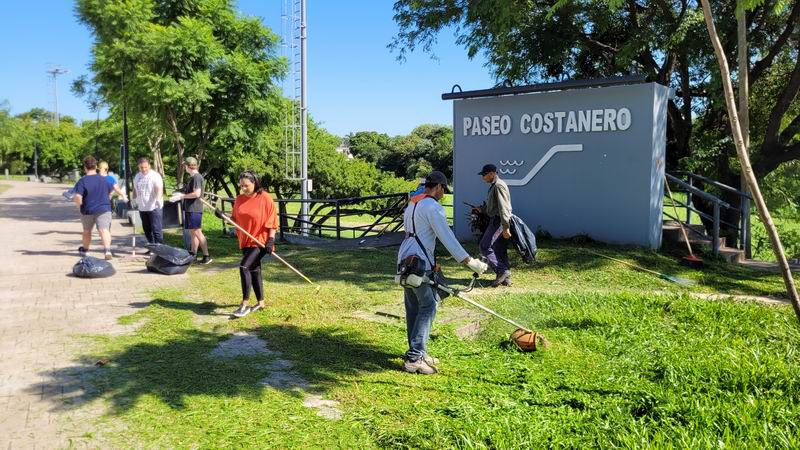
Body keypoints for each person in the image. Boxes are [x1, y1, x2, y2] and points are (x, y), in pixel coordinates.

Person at [397, 170, 488, 375]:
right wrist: (470, 262)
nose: (443, 194)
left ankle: (417, 350)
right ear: (438, 187)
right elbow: (447, 237)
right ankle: (414, 358)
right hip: (421, 263)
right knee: (428, 306)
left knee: (413, 306)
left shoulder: (412, 205)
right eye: (443, 190)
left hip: (405, 259)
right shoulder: (432, 207)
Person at [228, 171, 279, 318]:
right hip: (245, 240)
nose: (243, 188)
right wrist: (224, 216)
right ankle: (261, 302)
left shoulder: (265, 198)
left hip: (260, 241)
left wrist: (270, 240)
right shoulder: (239, 199)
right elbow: (234, 219)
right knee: (254, 270)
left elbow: (272, 222)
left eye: (246, 185)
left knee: (244, 267)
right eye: (241, 186)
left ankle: (244, 304)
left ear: (254, 183)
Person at [478, 163, 514, 287]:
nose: (483, 177)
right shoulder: (496, 185)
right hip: (498, 219)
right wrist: (482, 209)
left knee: (484, 246)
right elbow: (493, 206)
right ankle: (506, 279)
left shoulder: (498, 185)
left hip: (498, 221)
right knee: (499, 250)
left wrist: (506, 227)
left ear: (492, 173)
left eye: (484, 174)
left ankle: (502, 270)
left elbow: (504, 207)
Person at [170, 157, 212, 264]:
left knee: (197, 232)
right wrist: (179, 193)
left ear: (189, 166)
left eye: (185, 166)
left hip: (195, 209)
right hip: (190, 209)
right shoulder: (192, 178)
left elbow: (197, 194)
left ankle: (206, 256)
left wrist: (182, 196)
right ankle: (193, 254)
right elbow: (188, 191)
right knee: (193, 233)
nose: (184, 168)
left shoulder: (197, 177)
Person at [73, 155, 114, 260]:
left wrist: (79, 205)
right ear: (96, 166)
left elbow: (78, 196)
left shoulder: (82, 181)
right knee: (104, 230)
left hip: (88, 210)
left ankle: (85, 251)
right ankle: (107, 251)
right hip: (104, 208)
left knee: (87, 231)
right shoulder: (105, 180)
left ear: (85, 167)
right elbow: (110, 192)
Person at [133, 157, 164, 246]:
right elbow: (135, 189)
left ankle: (160, 250)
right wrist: (133, 199)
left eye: (145, 167)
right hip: (142, 207)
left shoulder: (155, 175)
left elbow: (159, 189)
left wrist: (158, 199)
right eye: (141, 167)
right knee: (147, 230)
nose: (143, 169)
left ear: (149, 166)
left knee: (156, 230)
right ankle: (152, 247)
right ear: (138, 167)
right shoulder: (137, 176)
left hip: (154, 207)